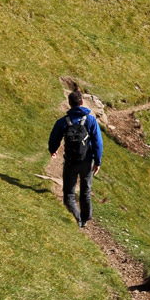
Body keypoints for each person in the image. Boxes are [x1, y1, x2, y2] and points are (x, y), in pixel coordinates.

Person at [48, 88, 103, 228]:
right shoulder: (91, 120)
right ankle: (86, 217)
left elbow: (54, 137)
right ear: (82, 102)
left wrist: (53, 150)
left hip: (71, 162)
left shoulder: (63, 121)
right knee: (85, 190)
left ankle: (76, 219)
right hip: (87, 161)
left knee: (69, 193)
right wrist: (97, 161)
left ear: (69, 103)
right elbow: (98, 142)